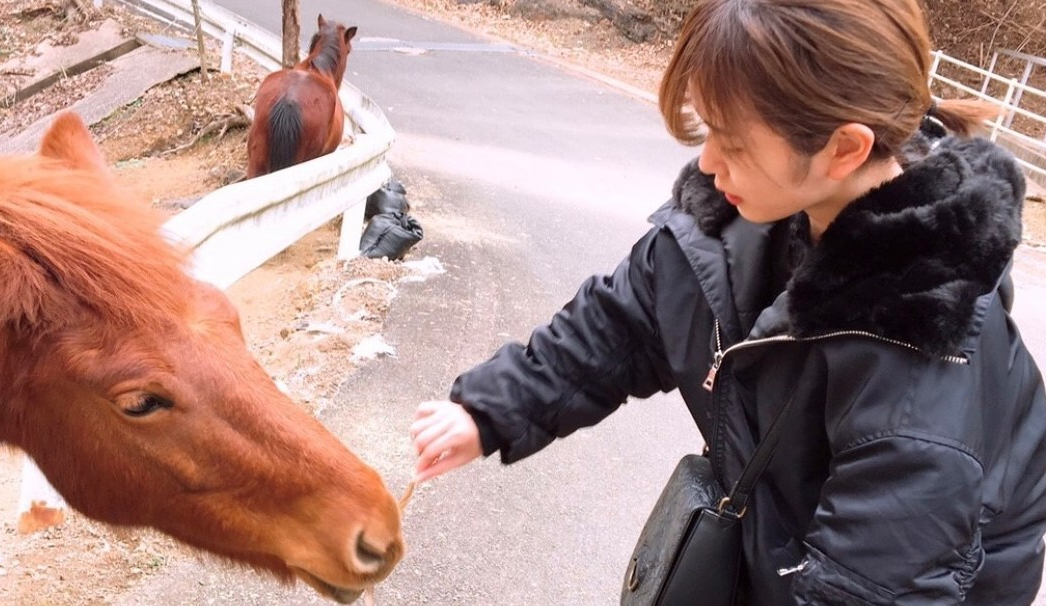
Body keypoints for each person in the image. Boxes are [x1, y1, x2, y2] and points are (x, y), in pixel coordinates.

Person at [408, 0, 1046, 602]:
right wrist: (489, 410)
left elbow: (880, 579)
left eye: (734, 143)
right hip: (782, 536)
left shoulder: (920, 349)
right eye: (710, 130)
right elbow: (624, 321)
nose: (708, 162)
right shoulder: (736, 222)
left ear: (844, 148)